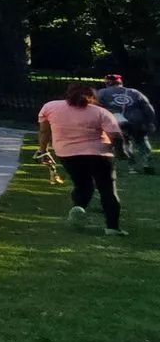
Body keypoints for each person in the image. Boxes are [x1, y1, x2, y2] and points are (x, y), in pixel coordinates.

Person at [38, 83, 126, 234]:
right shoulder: (100, 112)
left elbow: (44, 132)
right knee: (107, 189)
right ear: (92, 97)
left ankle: (78, 207)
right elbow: (116, 136)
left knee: (82, 184)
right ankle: (112, 227)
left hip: (67, 153)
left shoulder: (50, 107)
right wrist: (121, 152)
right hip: (100, 155)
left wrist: (43, 150)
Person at [95, 74, 156, 174]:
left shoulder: (102, 93)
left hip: (120, 122)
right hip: (138, 122)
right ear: (120, 82)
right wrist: (150, 122)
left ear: (107, 83)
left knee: (126, 143)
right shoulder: (134, 92)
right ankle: (147, 164)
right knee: (142, 142)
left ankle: (131, 167)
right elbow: (147, 107)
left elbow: (96, 107)